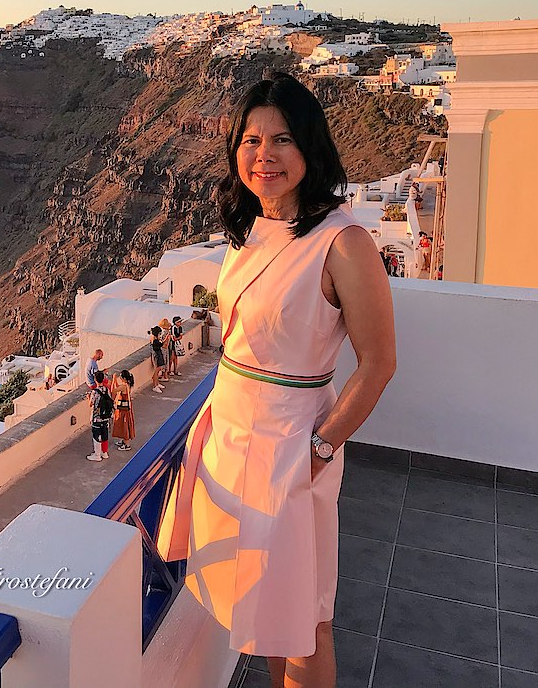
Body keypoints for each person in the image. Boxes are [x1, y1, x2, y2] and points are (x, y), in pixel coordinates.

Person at [157, 75, 396, 688]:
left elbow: (378, 363)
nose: (264, 155)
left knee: (304, 621)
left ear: (310, 150)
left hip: (290, 447)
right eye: (252, 138)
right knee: (263, 611)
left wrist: (320, 447)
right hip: (230, 437)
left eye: (283, 139)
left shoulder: (343, 243)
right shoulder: (249, 231)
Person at [87, 370, 114, 461]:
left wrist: (88, 398)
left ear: (95, 380)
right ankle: (104, 452)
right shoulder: (106, 390)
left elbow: (91, 404)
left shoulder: (95, 392)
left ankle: (97, 455)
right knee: (104, 434)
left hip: (97, 417)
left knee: (96, 435)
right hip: (106, 417)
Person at [111, 369, 136, 451]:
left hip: (123, 410)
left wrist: (113, 380)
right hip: (124, 409)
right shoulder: (126, 385)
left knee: (124, 425)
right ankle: (124, 440)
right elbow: (118, 388)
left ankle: (127, 444)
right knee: (122, 425)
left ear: (124, 378)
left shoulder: (124, 386)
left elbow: (113, 390)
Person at [149, 327, 166, 392]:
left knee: (159, 370)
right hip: (157, 356)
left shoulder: (155, 340)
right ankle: (155, 386)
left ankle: (157, 383)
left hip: (159, 355)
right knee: (156, 371)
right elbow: (160, 345)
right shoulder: (154, 341)